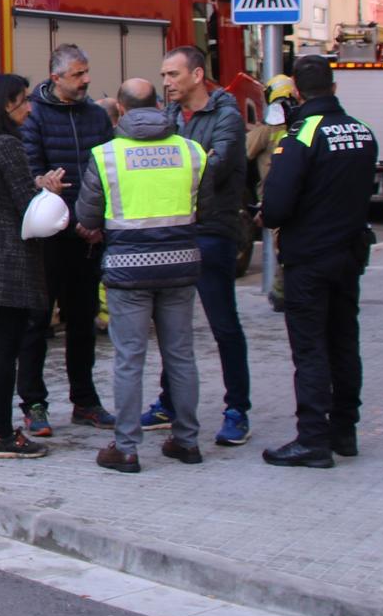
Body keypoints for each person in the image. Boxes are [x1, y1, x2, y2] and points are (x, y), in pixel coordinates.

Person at [74, 79, 212, 473]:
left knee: (129, 359)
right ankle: (187, 442)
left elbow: (86, 217)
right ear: (157, 105)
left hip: (127, 270)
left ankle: (127, 448)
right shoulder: (191, 151)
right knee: (181, 355)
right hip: (181, 264)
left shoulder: (107, 156)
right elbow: (209, 203)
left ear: (120, 108)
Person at [258, 55, 378, 468]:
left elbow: (274, 207)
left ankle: (312, 439)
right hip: (350, 255)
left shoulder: (301, 135)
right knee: (345, 342)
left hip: (309, 259)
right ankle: (345, 431)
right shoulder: (362, 132)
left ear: (295, 90)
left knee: (310, 349)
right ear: (334, 87)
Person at [147, 46, 252, 446]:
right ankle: (169, 403)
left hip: (212, 230)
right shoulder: (169, 116)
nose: (167, 83)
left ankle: (237, 409)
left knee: (223, 323)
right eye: (164, 75)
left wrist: (166, 166)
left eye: (173, 75)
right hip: (175, 229)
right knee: (173, 325)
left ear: (197, 75)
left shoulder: (225, 117)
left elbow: (216, 165)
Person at [0, 74, 66, 457]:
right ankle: (4, 435)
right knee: (6, 348)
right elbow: (28, 205)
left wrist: (36, 182)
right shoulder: (8, 145)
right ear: (7, 104)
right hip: (10, 259)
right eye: (23, 100)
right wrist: (48, 192)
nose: (29, 107)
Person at [20, 44, 117, 429]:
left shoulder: (95, 116)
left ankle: (85, 401)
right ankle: (34, 404)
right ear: (56, 77)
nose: (86, 80)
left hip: (87, 237)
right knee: (37, 323)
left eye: (86, 72)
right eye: (78, 74)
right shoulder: (34, 116)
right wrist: (48, 193)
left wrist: (95, 222)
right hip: (48, 239)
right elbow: (31, 171)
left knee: (83, 321)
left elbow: (108, 171)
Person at [248, 73, 302, 313]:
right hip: (298, 196)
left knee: (283, 249)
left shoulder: (267, 131)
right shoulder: (302, 125)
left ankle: (282, 294)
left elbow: (243, 150)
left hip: (273, 196)